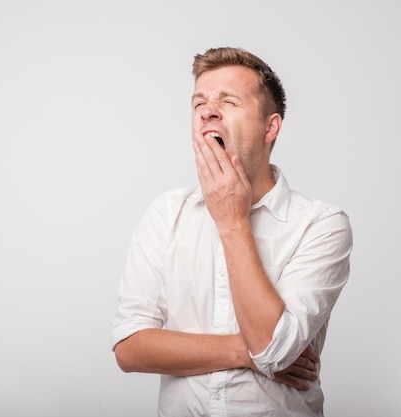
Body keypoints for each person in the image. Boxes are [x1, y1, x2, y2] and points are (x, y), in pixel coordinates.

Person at [111, 46, 352, 416]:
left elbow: (271, 347)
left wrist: (232, 220)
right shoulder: (165, 214)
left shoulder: (320, 225)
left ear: (269, 127)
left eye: (229, 101)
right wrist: (245, 352)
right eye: (199, 103)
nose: (208, 110)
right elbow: (130, 348)